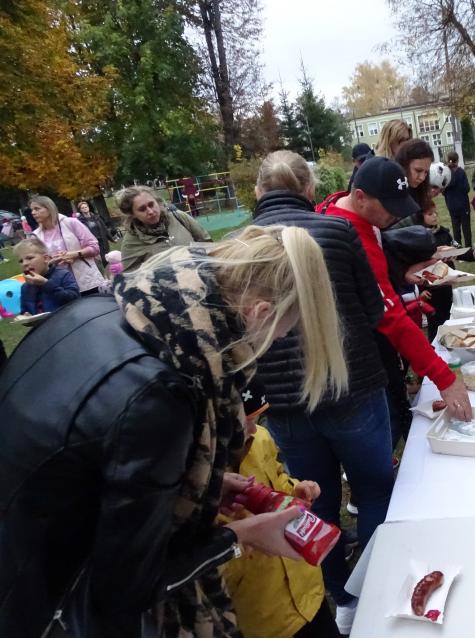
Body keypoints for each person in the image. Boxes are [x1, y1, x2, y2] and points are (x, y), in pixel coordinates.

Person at [0, 224, 348, 637]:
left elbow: (88, 470)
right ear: (259, 313)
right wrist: (239, 536)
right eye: (281, 333)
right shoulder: (162, 394)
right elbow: (127, 588)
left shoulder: (109, 309)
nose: (276, 342)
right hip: (45, 609)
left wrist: (194, 484)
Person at [251, 151, 392, 633]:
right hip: (352, 389)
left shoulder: (238, 247)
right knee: (373, 491)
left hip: (284, 401)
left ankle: (342, 597)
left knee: (315, 501)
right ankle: (374, 590)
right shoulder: (337, 231)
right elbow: (375, 310)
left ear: (258, 191)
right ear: (309, 189)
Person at [318, 157, 472, 431]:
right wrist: (444, 378)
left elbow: (365, 278)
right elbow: (392, 319)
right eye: (389, 207)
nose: (395, 215)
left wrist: (399, 273)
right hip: (360, 360)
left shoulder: (340, 205)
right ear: (360, 197)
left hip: (359, 346)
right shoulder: (350, 236)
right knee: (388, 420)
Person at [221, 379, 341, 638]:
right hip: (265, 614)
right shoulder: (199, 486)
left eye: (256, 419)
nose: (253, 429)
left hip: (306, 588)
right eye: (243, 423)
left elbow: (278, 480)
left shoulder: (260, 439)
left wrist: (296, 490)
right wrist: (245, 539)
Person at [118, 184, 211, 272]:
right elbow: (130, 277)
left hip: (202, 278)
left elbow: (207, 243)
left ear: (157, 202)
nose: (150, 211)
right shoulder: (130, 242)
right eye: (142, 209)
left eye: (151, 204)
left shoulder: (179, 218)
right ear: (132, 214)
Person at [30, 195, 106, 296]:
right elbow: (36, 264)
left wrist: (74, 254)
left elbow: (94, 248)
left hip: (87, 282)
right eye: (32, 210)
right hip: (60, 288)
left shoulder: (71, 223)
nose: (33, 212)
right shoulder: (36, 236)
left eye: (37, 209)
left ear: (49, 208)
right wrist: (53, 261)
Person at [413, 199, 458, 341]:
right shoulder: (417, 238)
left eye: (435, 213)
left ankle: (448, 342)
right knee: (435, 321)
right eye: (430, 214)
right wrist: (420, 290)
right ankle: (434, 345)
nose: (434, 216)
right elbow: (415, 265)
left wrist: (455, 253)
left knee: (448, 315)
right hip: (430, 287)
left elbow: (453, 249)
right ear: (420, 216)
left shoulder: (443, 232)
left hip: (446, 281)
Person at [14, 237, 79, 315]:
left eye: (29, 258)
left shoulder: (63, 275)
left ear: (46, 258)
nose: (24, 263)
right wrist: (26, 316)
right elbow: (24, 310)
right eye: (21, 261)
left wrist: (46, 284)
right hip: (43, 323)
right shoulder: (25, 287)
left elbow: (74, 299)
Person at [389, 139, 434, 229]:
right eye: (418, 170)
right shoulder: (391, 193)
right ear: (404, 165)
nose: (422, 177)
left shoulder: (420, 191)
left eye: (426, 172)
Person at [443, 151, 472, 247]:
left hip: (451, 205)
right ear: (457, 160)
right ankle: (468, 249)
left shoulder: (445, 174)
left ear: (448, 160)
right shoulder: (461, 172)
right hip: (463, 205)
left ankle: (458, 250)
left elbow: (443, 190)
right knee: (466, 229)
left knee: (456, 229)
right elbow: (467, 188)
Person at [76, 200, 111, 266]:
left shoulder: (96, 217)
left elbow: (104, 228)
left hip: (102, 240)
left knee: (106, 257)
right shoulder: (80, 221)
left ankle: (108, 270)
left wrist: (111, 238)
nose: (85, 209)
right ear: (80, 210)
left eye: (86, 207)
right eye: (82, 208)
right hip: (92, 242)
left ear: (88, 207)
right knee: (99, 259)